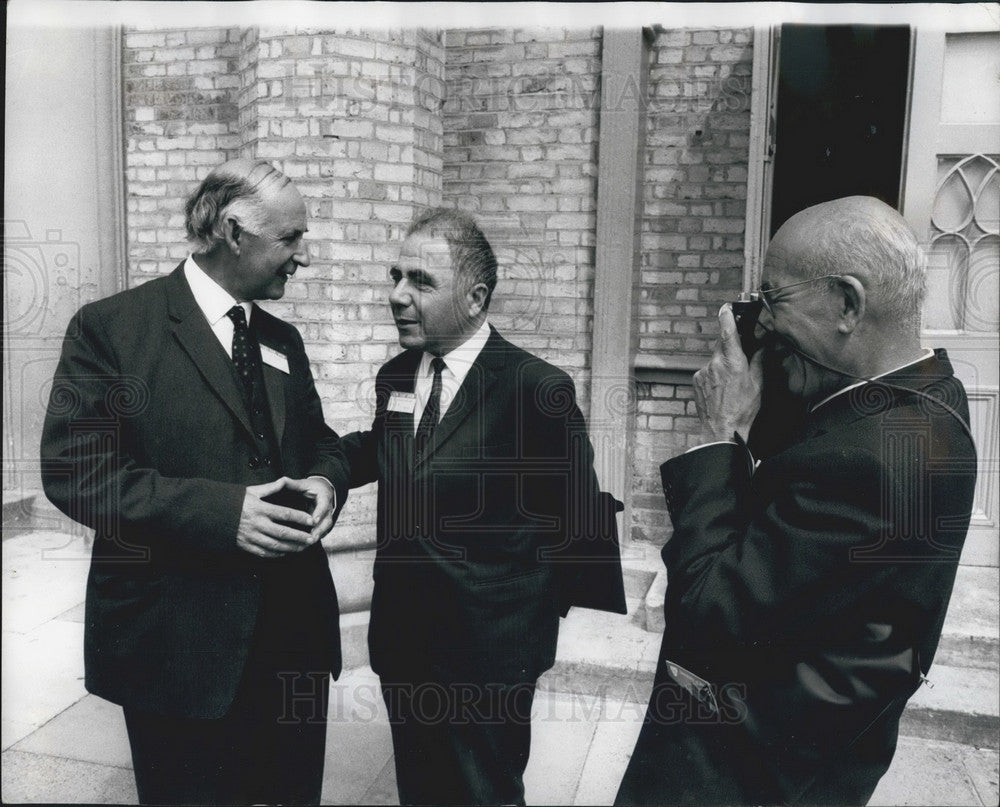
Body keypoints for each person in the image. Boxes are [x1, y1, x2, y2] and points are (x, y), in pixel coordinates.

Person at [615, 196, 977, 806]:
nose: (764, 319)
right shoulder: (925, 395)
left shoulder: (875, 460)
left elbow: (709, 610)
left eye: (774, 298)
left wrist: (716, 437)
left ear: (846, 303)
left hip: (748, 772)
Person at [40, 158, 349, 805]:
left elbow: (319, 441)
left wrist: (326, 479)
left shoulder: (282, 339)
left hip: (293, 638)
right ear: (235, 233)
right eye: (291, 238)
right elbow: (76, 470)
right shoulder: (113, 330)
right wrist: (221, 511)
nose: (304, 257)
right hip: (178, 646)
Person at [334, 208, 627, 805]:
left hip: (488, 654)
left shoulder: (534, 388)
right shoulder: (396, 376)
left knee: (482, 792)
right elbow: (388, 450)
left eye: (420, 281)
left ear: (476, 297)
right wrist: (328, 471)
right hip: (402, 639)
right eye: (396, 276)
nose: (397, 296)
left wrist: (519, 627)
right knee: (419, 786)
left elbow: (576, 521)